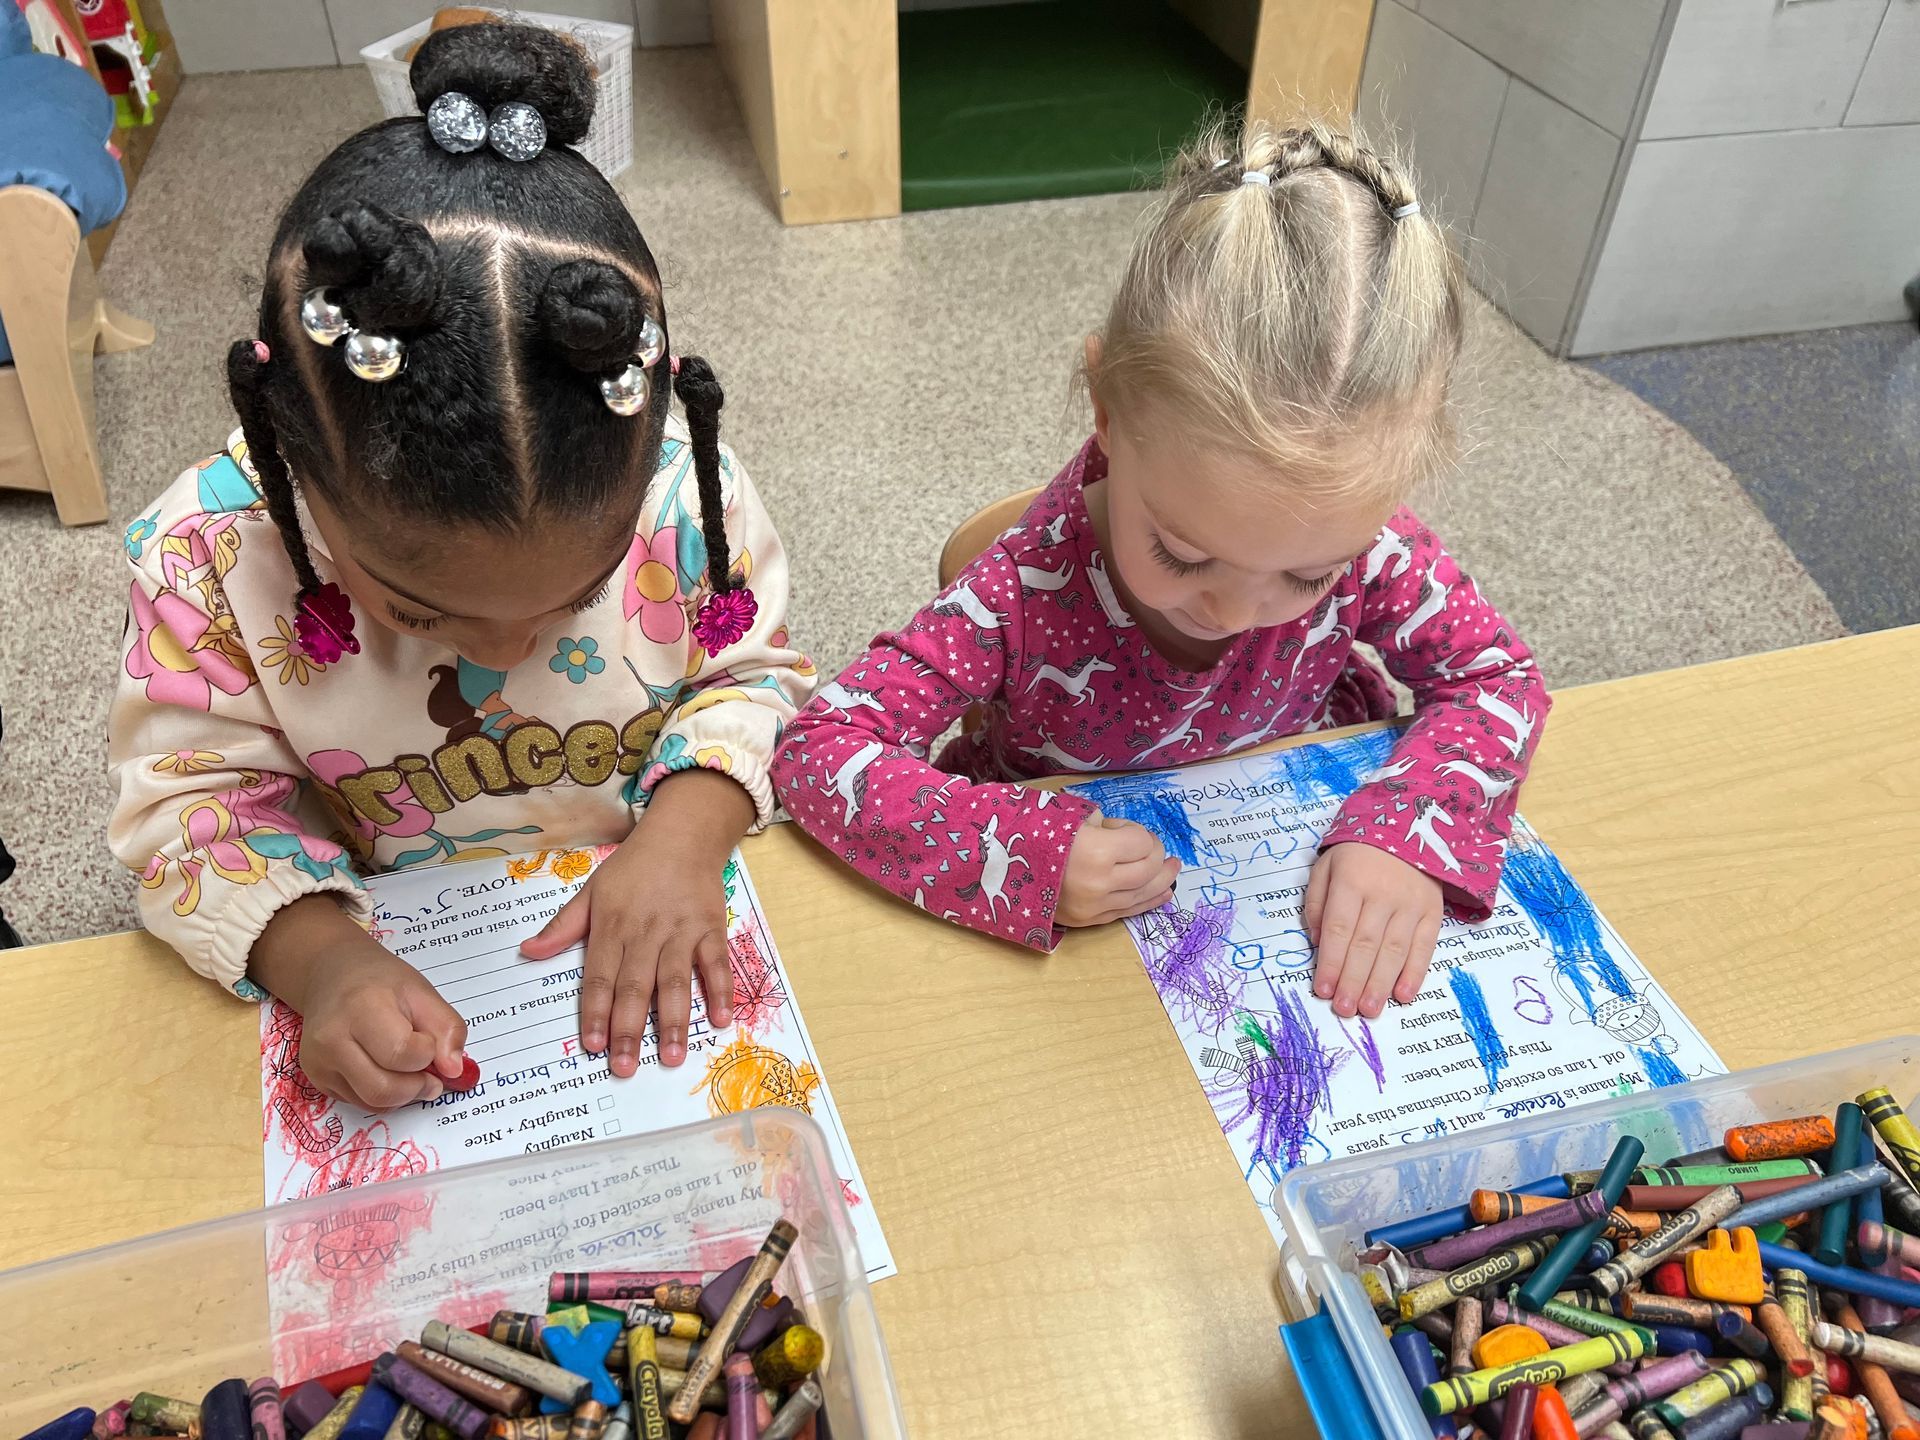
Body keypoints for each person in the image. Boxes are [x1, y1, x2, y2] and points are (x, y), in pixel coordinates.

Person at [108, 23, 814, 1109]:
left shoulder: (687, 499)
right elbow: (190, 814)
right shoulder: (208, 559)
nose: (505, 650)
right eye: (415, 608)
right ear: (293, 471)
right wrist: (319, 959)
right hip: (396, 938)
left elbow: (751, 677)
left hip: (652, 921)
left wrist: (686, 833)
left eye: (581, 596)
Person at [773, 118, 1547, 1022]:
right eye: (1182, 552)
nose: (1239, 609)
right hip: (1079, 953)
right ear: (1107, 410)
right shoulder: (1023, 588)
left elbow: (1498, 678)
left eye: (1309, 578)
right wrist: (1018, 852)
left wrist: (1414, 829)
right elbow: (821, 749)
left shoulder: (1374, 549)